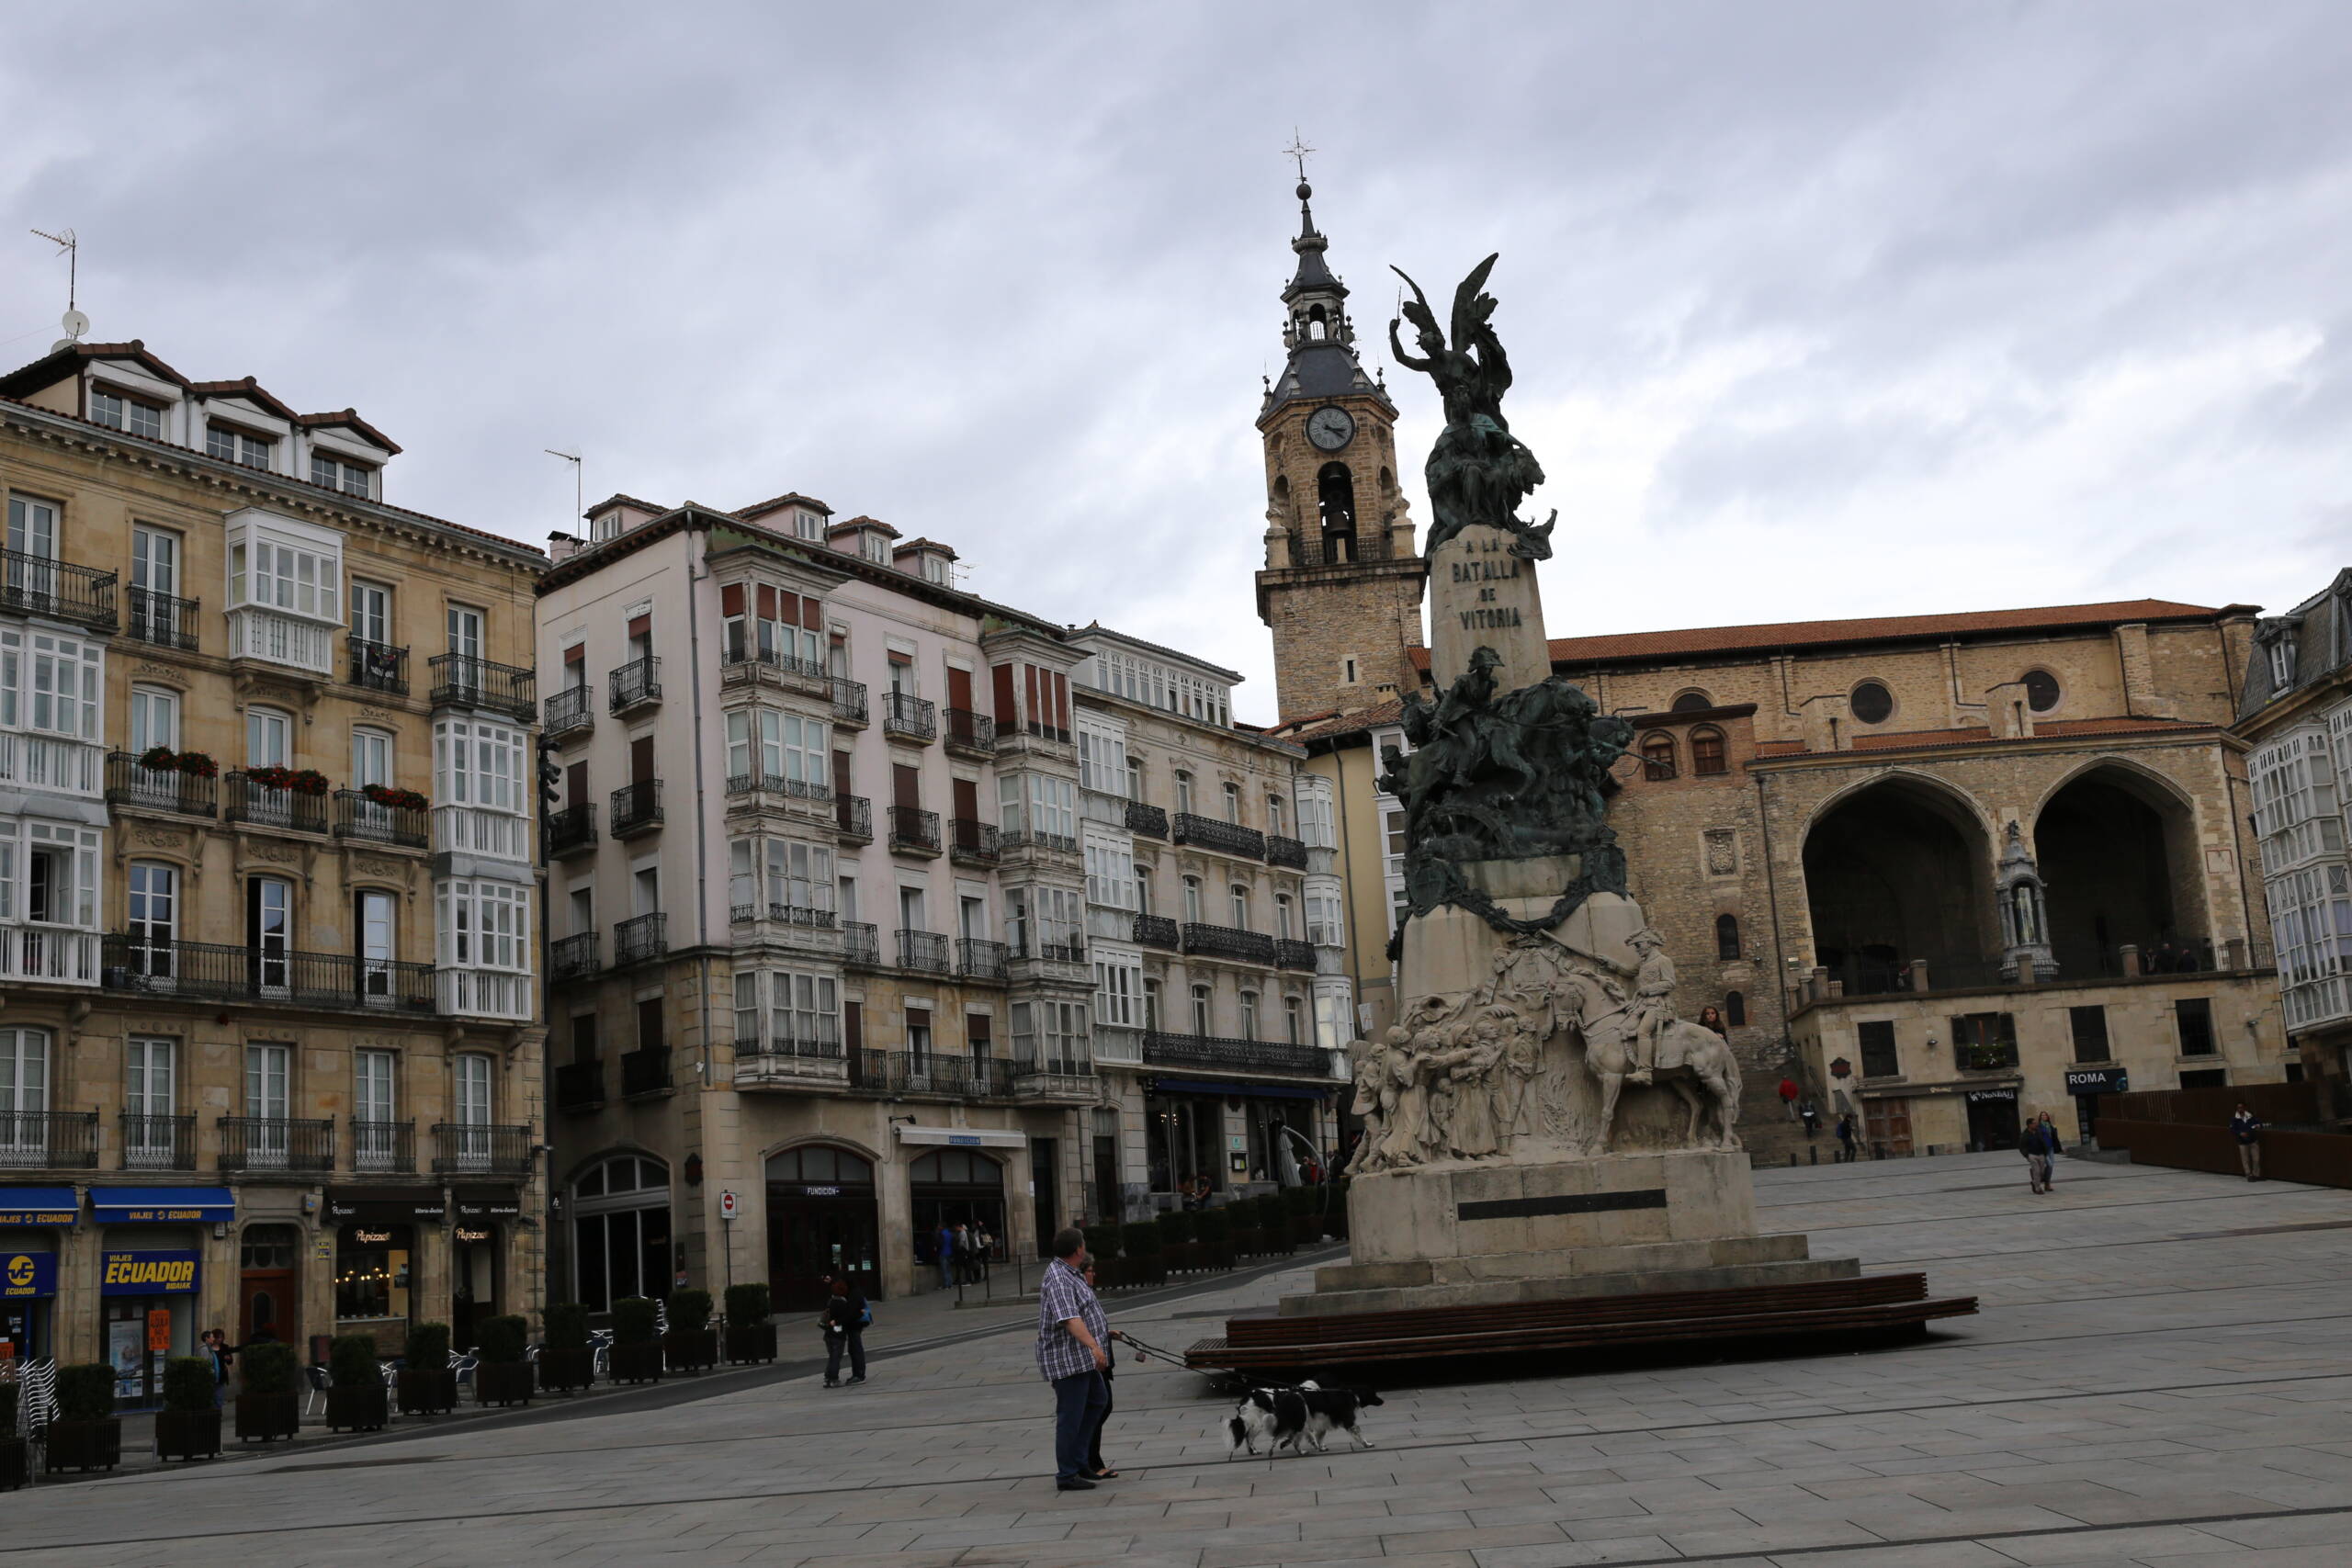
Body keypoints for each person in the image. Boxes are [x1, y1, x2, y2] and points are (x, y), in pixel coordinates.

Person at [1036, 1226, 1112, 1492]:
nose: (1085, 1247)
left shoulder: (1070, 1273)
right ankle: (1067, 1474)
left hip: (1081, 1357)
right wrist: (1094, 1345)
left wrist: (1103, 1333)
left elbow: (1084, 1310)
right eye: (1084, 1244)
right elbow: (1069, 1318)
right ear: (1078, 1249)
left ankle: (1080, 1462)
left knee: (1097, 1401)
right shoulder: (1059, 1278)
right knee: (1070, 1415)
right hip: (1068, 1358)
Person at [1080, 1259, 1119, 1479]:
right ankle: (1090, 1461)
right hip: (1092, 1360)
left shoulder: (1087, 1293)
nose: (1093, 1274)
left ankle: (1090, 1458)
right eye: (1089, 1271)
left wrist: (1107, 1333)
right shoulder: (1079, 1294)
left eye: (1093, 1271)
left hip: (1101, 1358)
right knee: (1098, 1408)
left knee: (1102, 1407)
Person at [820, 1278, 867, 1388]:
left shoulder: (835, 1300)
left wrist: (836, 1321)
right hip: (841, 1332)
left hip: (834, 1333)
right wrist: (861, 1313)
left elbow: (850, 1314)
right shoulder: (846, 1299)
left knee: (836, 1355)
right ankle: (834, 1378)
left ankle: (830, 1377)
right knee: (839, 1355)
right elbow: (851, 1314)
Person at [198, 1328, 234, 1406]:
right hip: (212, 1376)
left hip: (220, 1375)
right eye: (214, 1337)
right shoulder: (206, 1349)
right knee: (214, 1398)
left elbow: (229, 1361)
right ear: (207, 1338)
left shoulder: (223, 1347)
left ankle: (217, 1414)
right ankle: (215, 1414)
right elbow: (205, 1363)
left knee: (219, 1397)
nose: (217, 1339)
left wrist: (228, 1359)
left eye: (221, 1337)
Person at [2231, 1102, 2265, 1180]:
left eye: (2241, 1107)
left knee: (2256, 1159)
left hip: (2253, 1140)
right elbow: (2232, 1129)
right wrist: (2240, 1133)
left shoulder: (2250, 1116)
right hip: (2242, 1142)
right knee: (2245, 1159)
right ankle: (2248, 1174)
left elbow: (2260, 1124)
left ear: (2244, 1108)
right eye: (2238, 1108)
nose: (2240, 1109)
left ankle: (2256, 1175)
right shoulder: (2235, 1119)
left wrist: (2258, 1126)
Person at [2018, 1116, 2052, 1194]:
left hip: (2041, 1154)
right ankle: (2038, 1189)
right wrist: (2027, 1155)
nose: (2036, 1124)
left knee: (2042, 1172)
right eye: (2034, 1123)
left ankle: (2034, 1183)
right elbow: (2021, 1146)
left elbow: (2043, 1141)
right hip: (2032, 1155)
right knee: (2036, 1171)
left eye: (2036, 1123)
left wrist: (2045, 1151)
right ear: (2029, 1125)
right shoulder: (2024, 1135)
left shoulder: (2038, 1132)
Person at [933, 1222, 956, 1290]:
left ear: (941, 1227)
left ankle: (946, 1285)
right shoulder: (950, 1233)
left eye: (938, 1226)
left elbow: (939, 1244)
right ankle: (950, 1284)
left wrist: (936, 1247)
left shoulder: (941, 1234)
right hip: (949, 1252)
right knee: (948, 1269)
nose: (937, 1227)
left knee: (944, 1270)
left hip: (943, 1252)